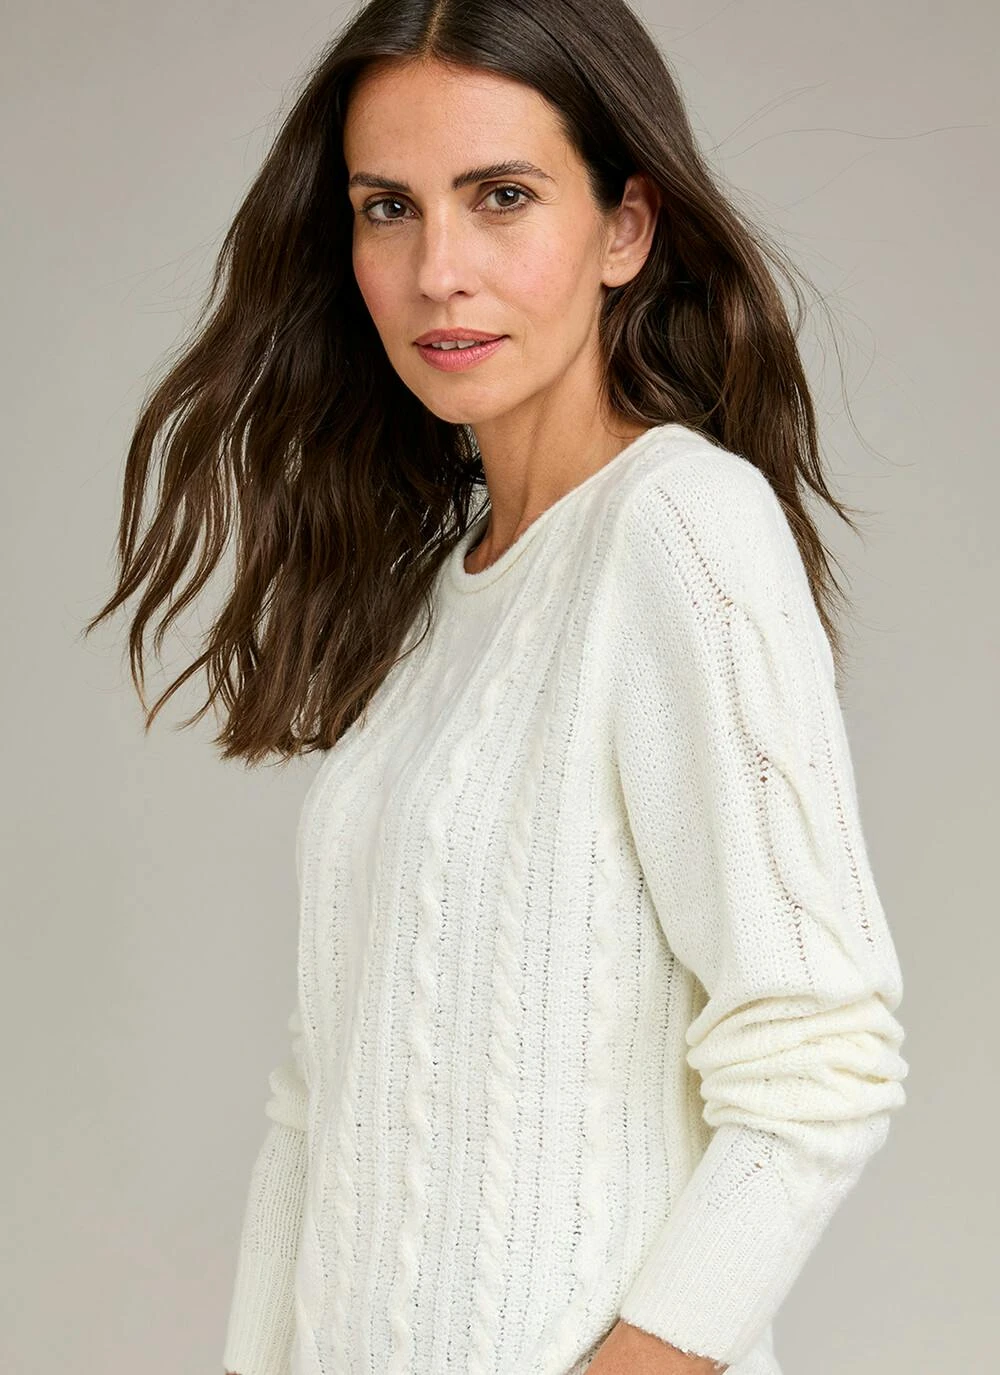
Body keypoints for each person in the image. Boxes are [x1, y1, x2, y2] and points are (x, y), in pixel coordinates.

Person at [83, 1, 909, 1372]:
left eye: (502, 197)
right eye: (388, 209)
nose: (437, 272)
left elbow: (818, 1059)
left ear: (625, 229)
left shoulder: (683, 531)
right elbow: (320, 1103)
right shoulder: (437, 595)